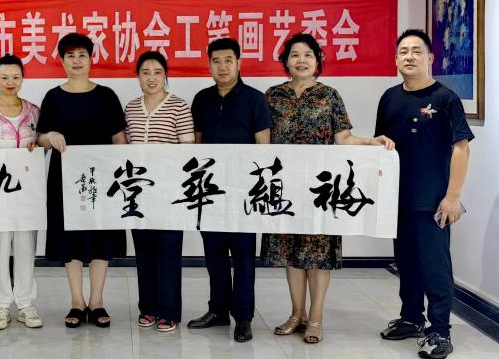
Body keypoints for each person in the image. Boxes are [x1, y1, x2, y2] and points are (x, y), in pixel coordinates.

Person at [259, 33, 394, 344]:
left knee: (318, 253)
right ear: (286, 61)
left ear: (317, 61)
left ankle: (316, 317)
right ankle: (297, 314)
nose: (301, 60)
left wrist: (370, 141)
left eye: (308, 54)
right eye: (295, 55)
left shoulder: (329, 96)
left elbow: (343, 138)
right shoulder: (272, 96)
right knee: (292, 252)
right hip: (286, 186)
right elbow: (262, 140)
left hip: (321, 187)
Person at [376, 29, 473, 359]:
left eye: (417, 51)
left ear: (430, 58)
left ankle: (440, 331)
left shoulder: (445, 99)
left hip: (433, 201)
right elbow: (381, 146)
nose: (410, 56)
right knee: (406, 263)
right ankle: (411, 318)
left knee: (435, 267)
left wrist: (453, 196)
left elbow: (461, 148)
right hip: (398, 199)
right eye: (403, 51)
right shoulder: (389, 98)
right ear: (396, 59)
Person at [36, 33, 128, 329]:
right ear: (62, 61)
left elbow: (119, 140)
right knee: (70, 239)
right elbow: (40, 139)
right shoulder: (53, 97)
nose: (76, 61)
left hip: (103, 180)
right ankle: (77, 301)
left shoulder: (106, 96)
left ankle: (97, 301)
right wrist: (49, 136)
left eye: (82, 55)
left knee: (101, 238)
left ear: (91, 59)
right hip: (64, 181)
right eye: (70, 56)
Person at [186, 37, 271, 343]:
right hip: (210, 191)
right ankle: (218, 310)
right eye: (216, 61)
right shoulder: (201, 99)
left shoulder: (255, 99)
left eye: (228, 60)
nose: (222, 67)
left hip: (243, 192)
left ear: (239, 63)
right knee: (214, 254)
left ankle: (243, 317)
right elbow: (196, 145)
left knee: (244, 256)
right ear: (209, 65)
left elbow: (264, 148)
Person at [0, 55, 44, 330]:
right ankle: (2, 306)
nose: (10, 82)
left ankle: (25, 304)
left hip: (27, 195)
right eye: (4, 77)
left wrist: (37, 147)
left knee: (26, 247)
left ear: (22, 79)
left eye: (15, 77)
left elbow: (41, 147)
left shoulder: (34, 112)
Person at [124, 51, 194, 333]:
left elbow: (188, 150)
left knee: (168, 252)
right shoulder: (131, 108)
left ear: (166, 75)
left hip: (169, 192)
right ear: (138, 76)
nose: (151, 78)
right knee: (144, 251)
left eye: (157, 72)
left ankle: (168, 311)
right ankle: (148, 308)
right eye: (145, 72)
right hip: (138, 194)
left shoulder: (178, 106)